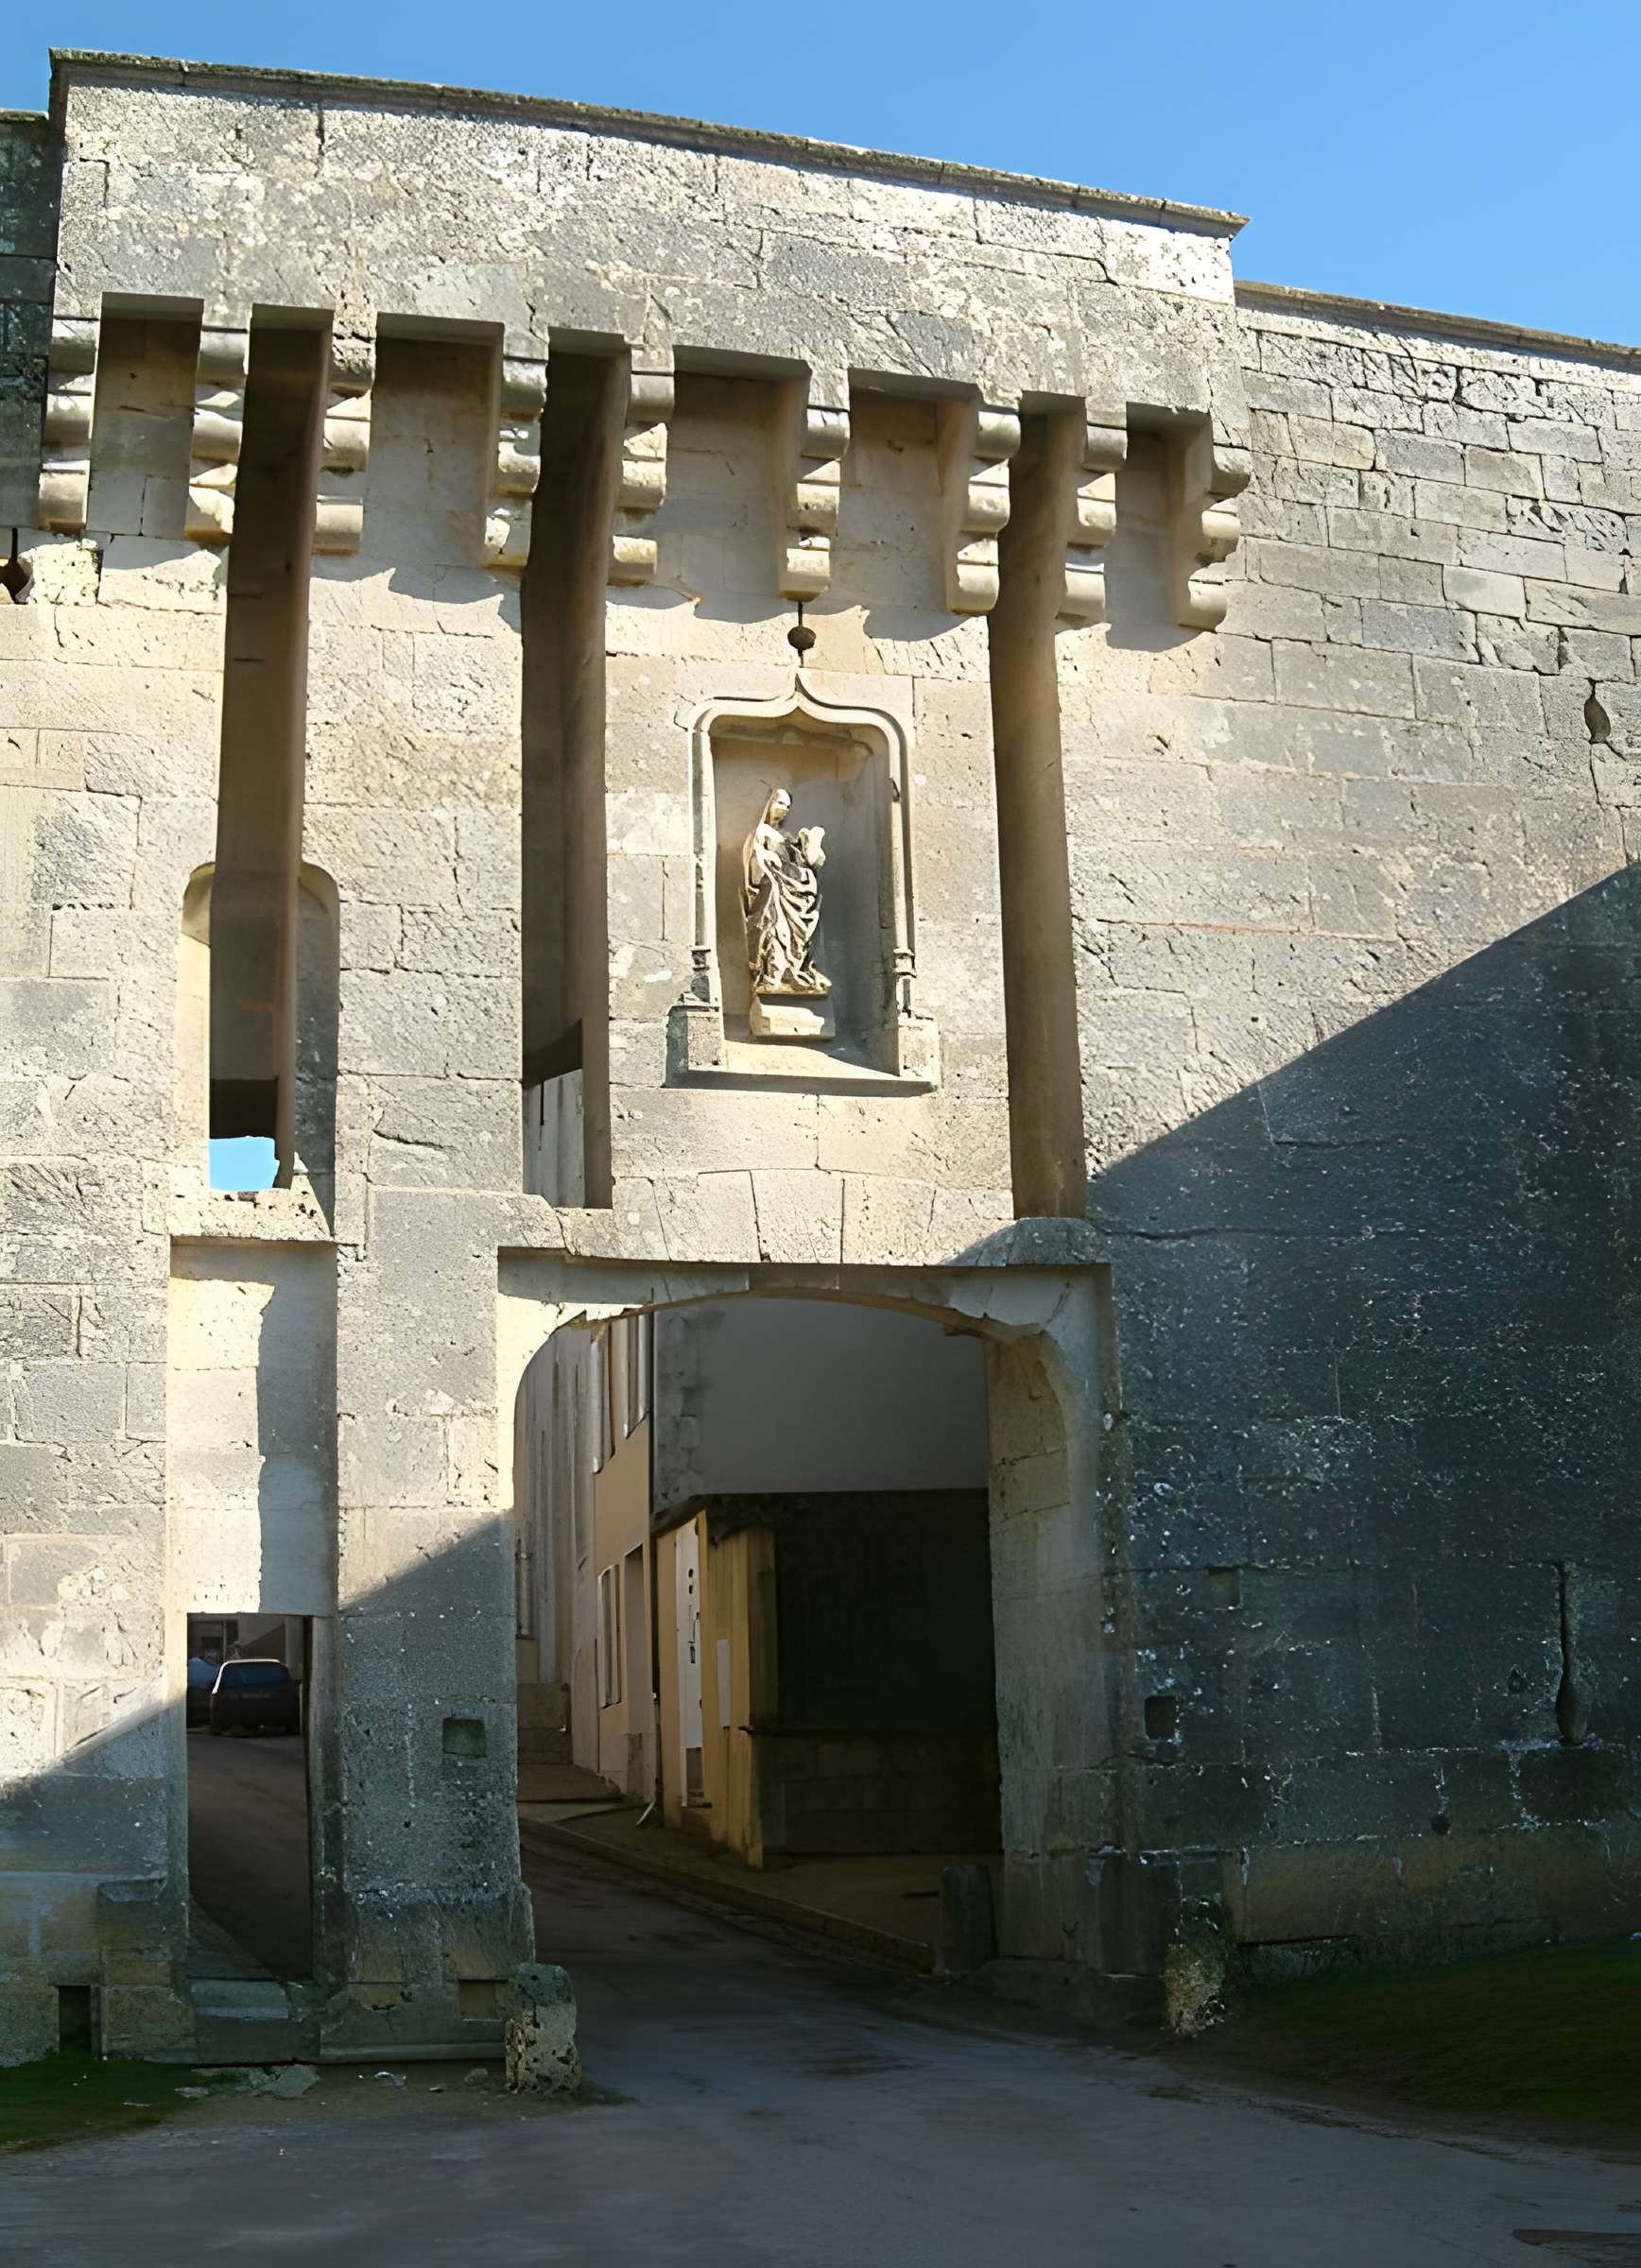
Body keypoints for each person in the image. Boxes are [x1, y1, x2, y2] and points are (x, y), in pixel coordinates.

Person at [741, 788, 829, 997]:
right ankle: (772, 975)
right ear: (769, 803)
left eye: (788, 806)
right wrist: (763, 857)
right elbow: (751, 866)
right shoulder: (760, 833)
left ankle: (795, 969)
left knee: (804, 925)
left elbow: (801, 863)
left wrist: (808, 847)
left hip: (794, 891)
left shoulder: (787, 836)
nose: (784, 809)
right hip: (773, 889)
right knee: (774, 929)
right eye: (780, 803)